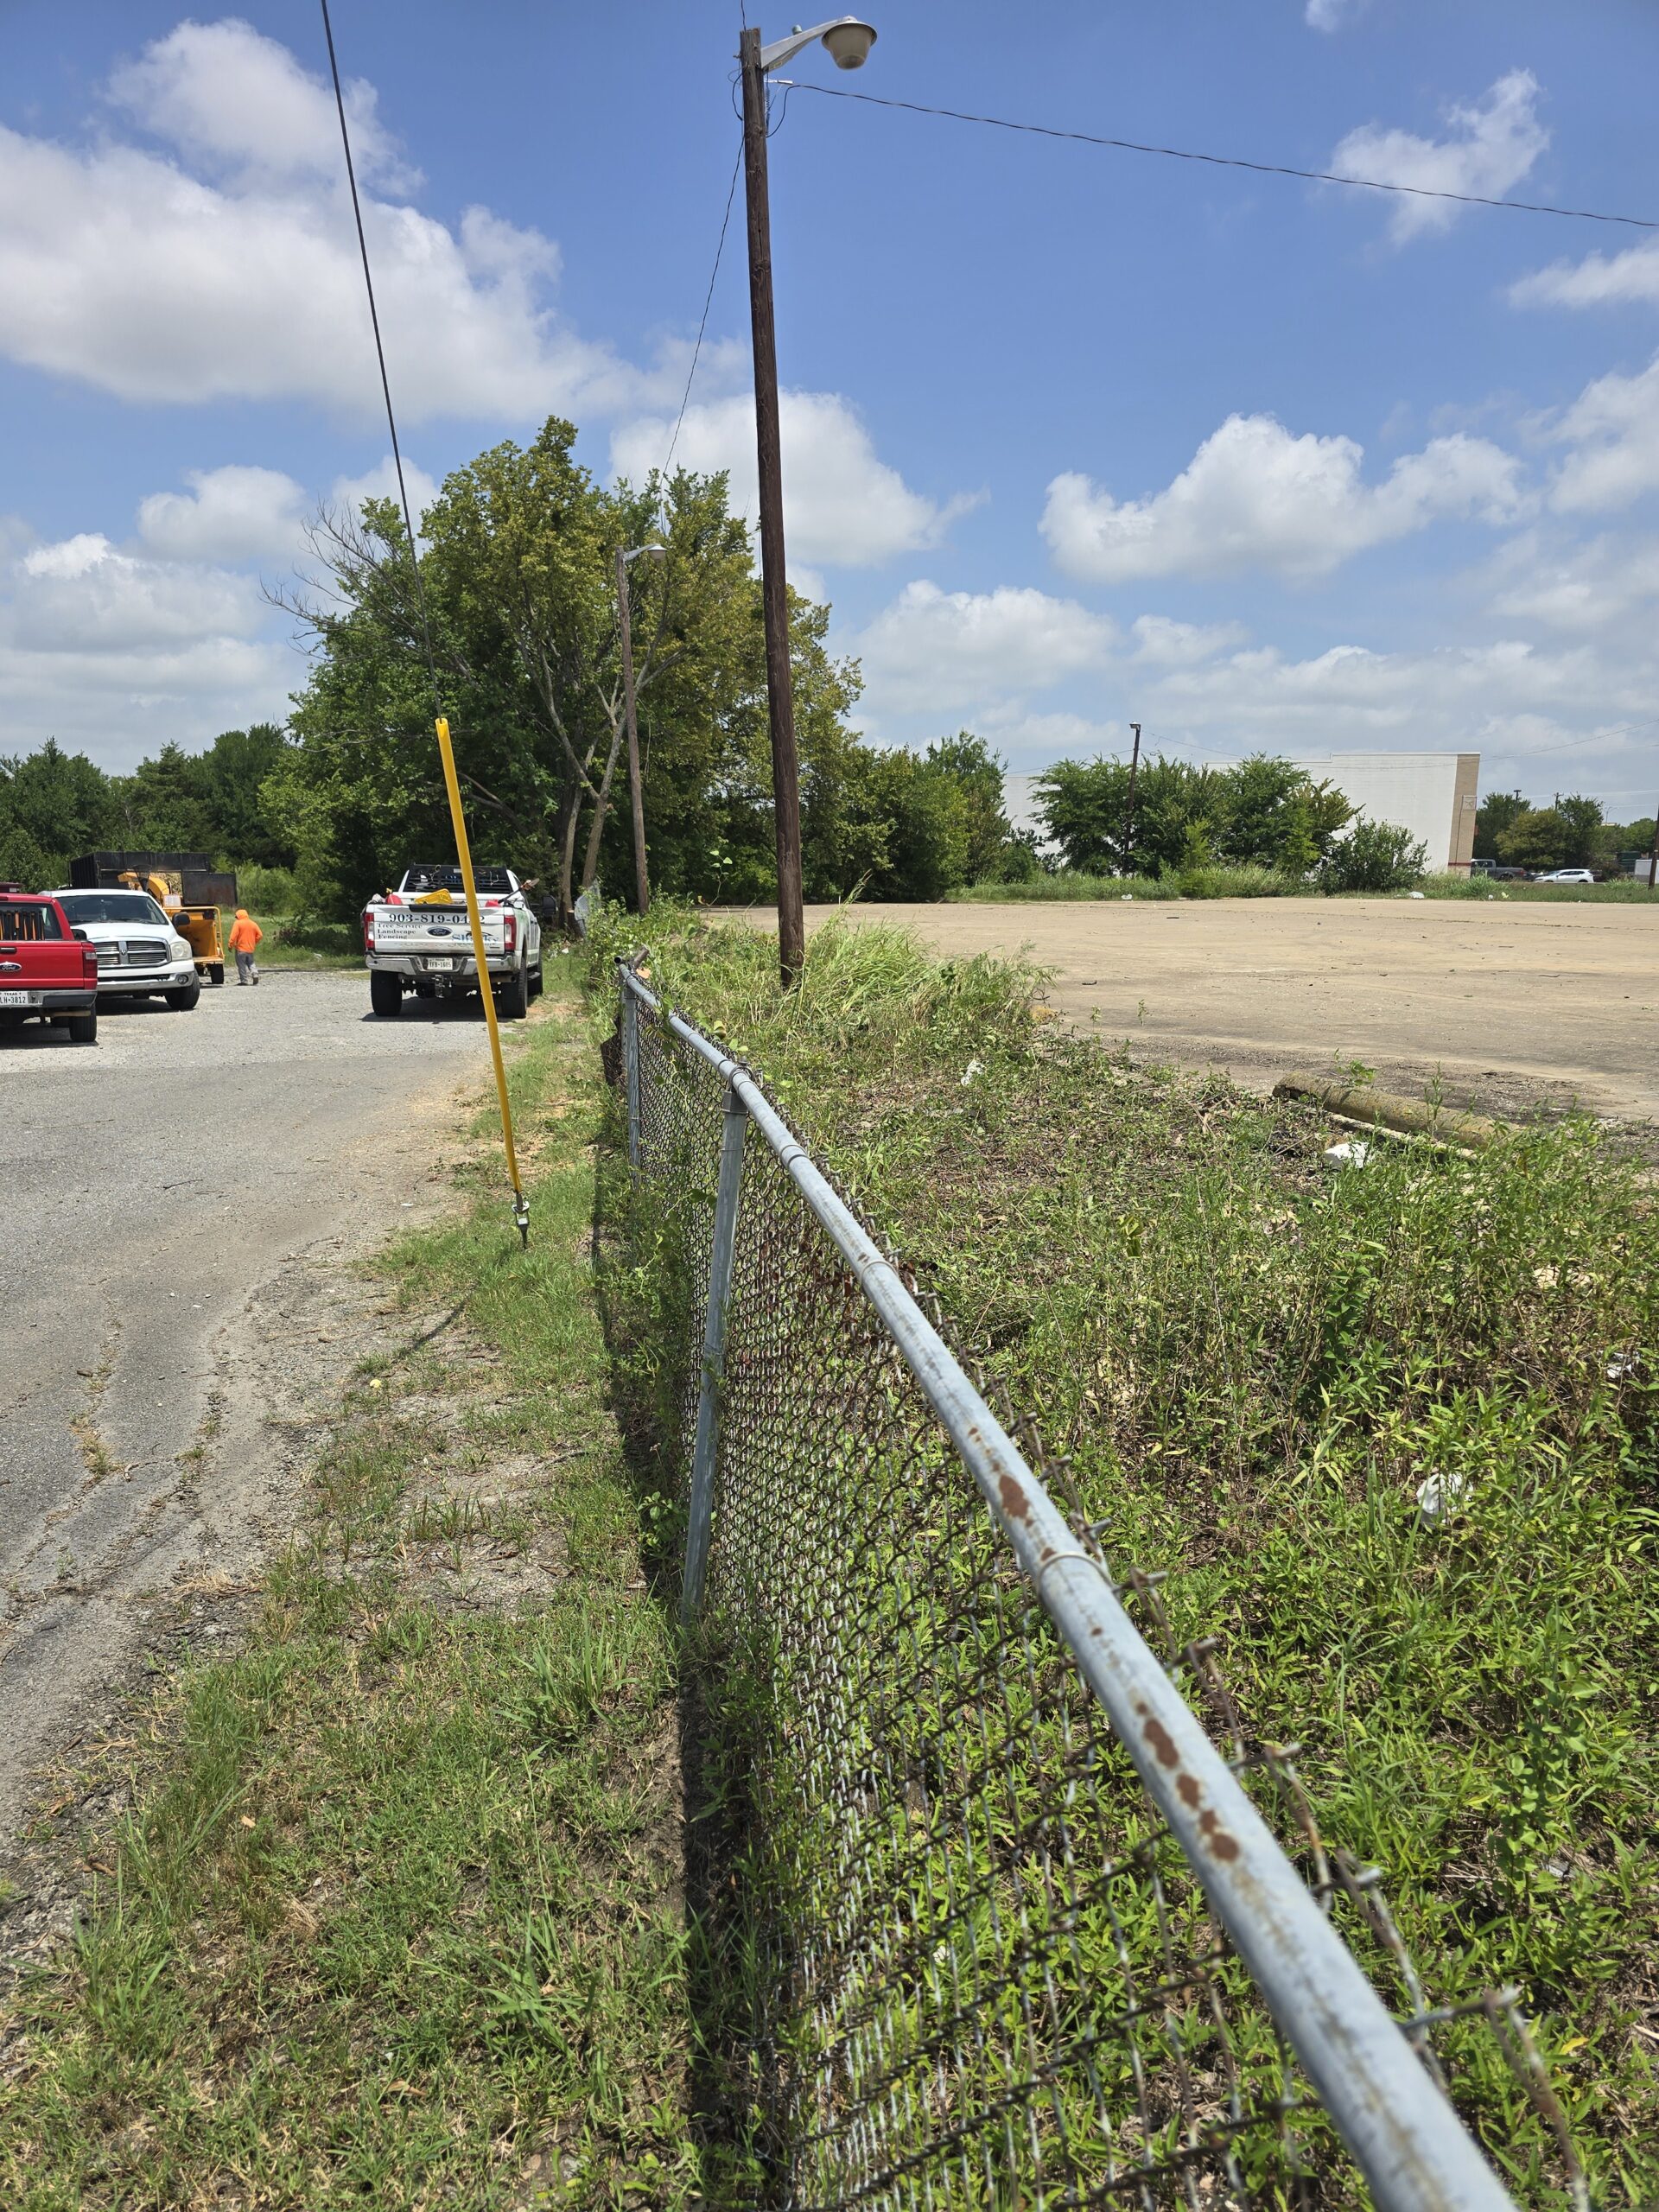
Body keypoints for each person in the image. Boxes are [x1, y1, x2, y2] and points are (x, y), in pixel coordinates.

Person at [227, 906, 263, 986]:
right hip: (250, 949)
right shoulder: (253, 923)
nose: (236, 918)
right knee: (251, 963)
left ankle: (244, 981)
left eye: (237, 916)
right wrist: (254, 942)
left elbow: (233, 936)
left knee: (241, 965)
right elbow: (260, 935)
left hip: (240, 949)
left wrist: (230, 945)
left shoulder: (238, 923)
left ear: (239, 916)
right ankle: (255, 973)